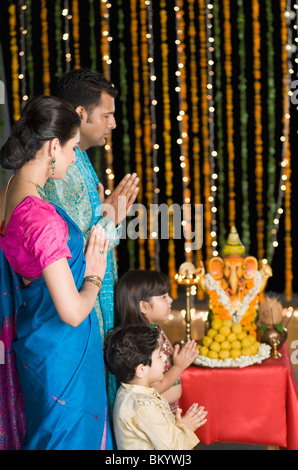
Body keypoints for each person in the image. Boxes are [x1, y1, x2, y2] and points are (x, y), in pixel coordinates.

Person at [0, 95, 113, 450]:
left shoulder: (12, 189)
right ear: (53, 147)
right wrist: (94, 273)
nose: (75, 156)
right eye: (73, 148)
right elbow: (73, 311)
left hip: (38, 347)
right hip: (65, 355)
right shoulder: (42, 218)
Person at [43, 68, 139, 410]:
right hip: (78, 309)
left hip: (93, 300)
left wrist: (106, 213)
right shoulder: (59, 168)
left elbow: (86, 227)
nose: (113, 124)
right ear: (81, 114)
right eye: (107, 115)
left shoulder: (79, 157)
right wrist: (112, 216)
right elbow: (72, 249)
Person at [104, 324, 207, 450]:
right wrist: (187, 427)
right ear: (141, 370)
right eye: (159, 356)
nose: (164, 358)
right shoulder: (143, 406)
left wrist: (176, 427)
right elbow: (173, 448)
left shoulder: (129, 392)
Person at [115, 270, 199, 413]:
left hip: (169, 411)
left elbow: (172, 360)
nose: (170, 300)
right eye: (163, 296)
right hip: (155, 415)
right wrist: (179, 365)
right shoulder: (142, 341)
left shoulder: (156, 330)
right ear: (144, 307)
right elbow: (156, 387)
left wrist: (181, 355)